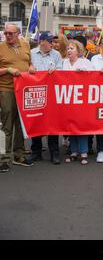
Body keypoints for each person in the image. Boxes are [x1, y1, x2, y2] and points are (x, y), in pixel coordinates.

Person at [0, 23, 35, 172]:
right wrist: (7, 69)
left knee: (21, 124)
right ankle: (4, 157)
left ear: (18, 34)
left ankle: (18, 154)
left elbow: (29, 62)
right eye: (6, 33)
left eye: (10, 33)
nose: (7, 36)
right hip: (6, 89)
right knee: (7, 124)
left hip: (23, 89)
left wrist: (32, 66)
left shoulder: (26, 45)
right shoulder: (1, 47)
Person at [29, 32, 63, 165]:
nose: (53, 44)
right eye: (50, 41)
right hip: (36, 92)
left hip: (52, 94)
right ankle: (36, 151)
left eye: (53, 41)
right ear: (42, 41)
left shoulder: (56, 55)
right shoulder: (31, 54)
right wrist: (30, 67)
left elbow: (61, 71)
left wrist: (56, 71)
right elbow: (27, 69)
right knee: (36, 120)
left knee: (52, 123)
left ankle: (54, 152)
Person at [63, 40, 93, 165]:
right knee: (70, 125)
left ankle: (84, 152)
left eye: (72, 48)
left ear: (78, 50)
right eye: (68, 48)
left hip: (82, 99)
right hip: (67, 99)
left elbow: (93, 76)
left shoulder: (85, 62)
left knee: (81, 125)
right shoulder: (64, 62)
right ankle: (73, 151)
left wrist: (84, 71)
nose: (69, 50)